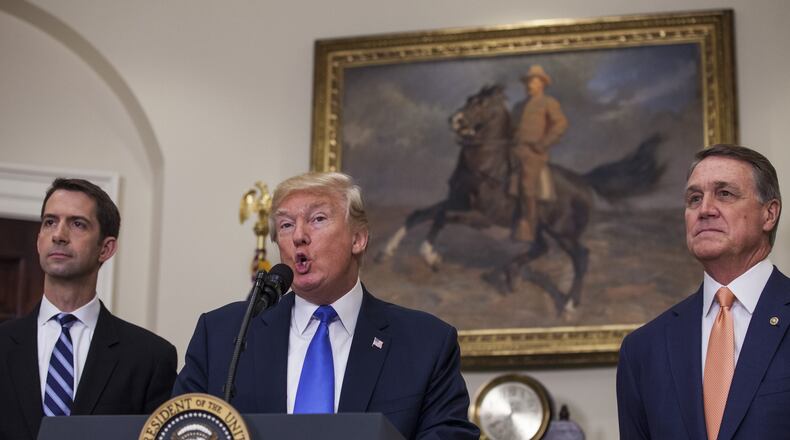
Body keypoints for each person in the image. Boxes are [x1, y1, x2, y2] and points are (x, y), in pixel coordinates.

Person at [173, 172, 479, 440]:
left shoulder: (425, 343)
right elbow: (177, 430)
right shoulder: (223, 334)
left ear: (358, 239)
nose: (299, 236)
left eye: (318, 219)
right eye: (286, 225)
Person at [617, 145, 787, 439]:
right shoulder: (643, 349)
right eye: (694, 198)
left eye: (725, 194)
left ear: (769, 214)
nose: (705, 209)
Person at [0, 178, 177, 440]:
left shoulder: (151, 358)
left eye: (77, 224)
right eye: (50, 222)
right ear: (39, 241)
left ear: (106, 248)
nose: (59, 235)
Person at [510, 64, 568, 241]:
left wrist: (543, 144)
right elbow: (511, 129)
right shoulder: (518, 106)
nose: (529, 85)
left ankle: (529, 227)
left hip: (534, 153)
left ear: (542, 84)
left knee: (527, 187)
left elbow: (561, 124)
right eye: (528, 82)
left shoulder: (548, 103)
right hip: (514, 150)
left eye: (534, 82)